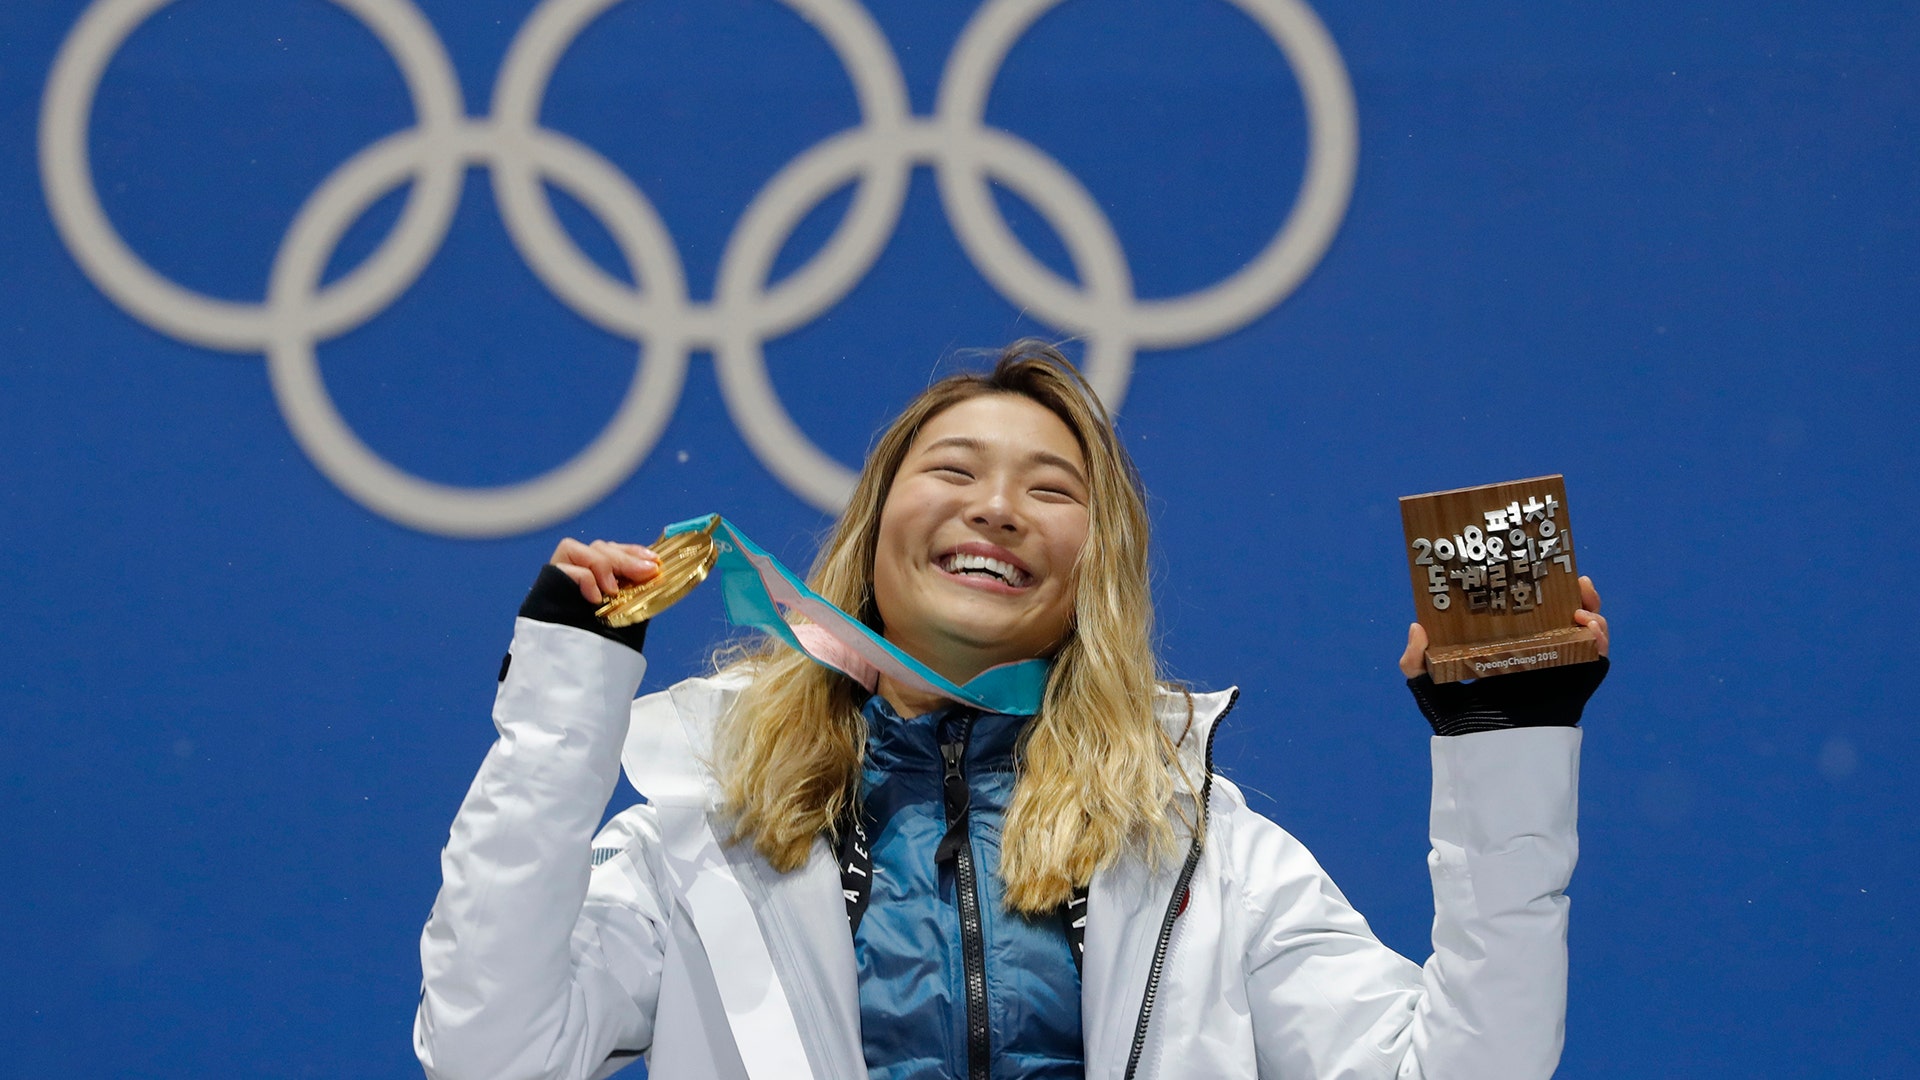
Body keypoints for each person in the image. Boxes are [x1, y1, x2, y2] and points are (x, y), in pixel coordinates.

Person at [413, 340, 1610, 1080]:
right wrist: (564, 701)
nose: (996, 508)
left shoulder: (1197, 850)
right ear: (872, 534)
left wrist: (1508, 743)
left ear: (1096, 568)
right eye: (952, 472)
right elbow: (489, 1054)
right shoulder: (700, 842)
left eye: (1052, 490)